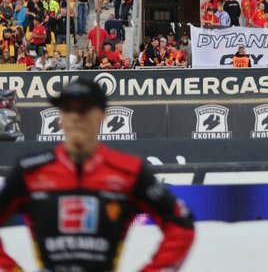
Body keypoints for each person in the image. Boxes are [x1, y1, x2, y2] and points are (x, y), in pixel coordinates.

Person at [0, 76, 194, 272]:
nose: (75, 116)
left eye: (83, 109)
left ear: (102, 116)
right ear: (60, 117)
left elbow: (181, 223)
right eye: (67, 109)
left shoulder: (129, 170)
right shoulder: (30, 171)